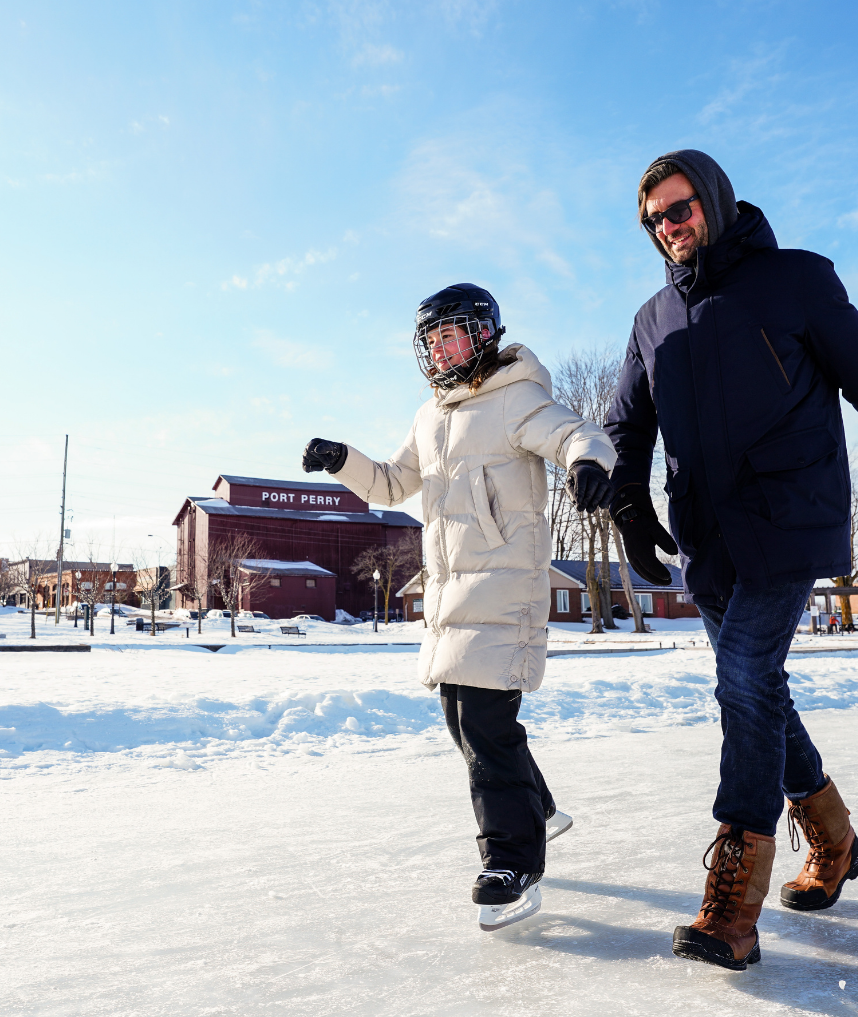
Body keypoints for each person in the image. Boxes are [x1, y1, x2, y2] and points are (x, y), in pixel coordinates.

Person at [605, 149, 858, 972]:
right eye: (655, 221)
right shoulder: (652, 320)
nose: (669, 228)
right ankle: (835, 838)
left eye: (679, 209)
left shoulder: (796, 279)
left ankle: (734, 906)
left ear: (712, 199)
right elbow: (626, 425)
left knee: (745, 675)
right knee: (759, 689)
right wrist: (630, 502)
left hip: (791, 515)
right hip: (709, 535)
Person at [301, 283, 616, 931]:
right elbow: (393, 484)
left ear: (483, 335)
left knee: (484, 726)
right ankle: (541, 811)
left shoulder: (516, 398)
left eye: (452, 335)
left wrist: (588, 464)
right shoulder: (431, 417)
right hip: (450, 596)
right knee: (464, 720)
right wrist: (343, 461)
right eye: (432, 340)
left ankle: (513, 862)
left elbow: (574, 434)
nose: (442, 349)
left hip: (505, 590)